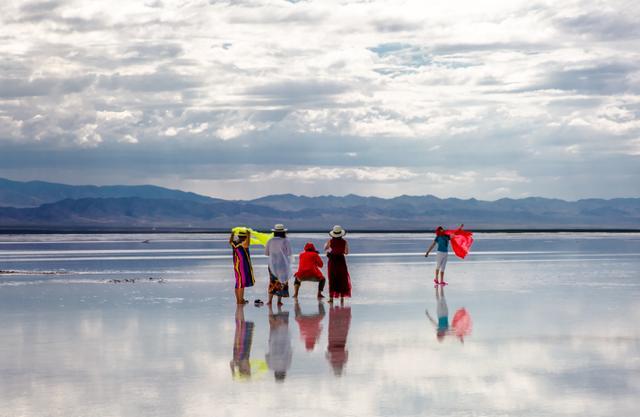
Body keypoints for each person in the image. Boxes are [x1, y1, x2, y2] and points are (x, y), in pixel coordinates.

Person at [265, 224, 292, 306]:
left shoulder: (270, 240)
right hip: (282, 264)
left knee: (272, 282)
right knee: (281, 281)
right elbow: (289, 253)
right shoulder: (286, 241)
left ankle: (269, 301)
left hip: (272, 264)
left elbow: (267, 253)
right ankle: (279, 301)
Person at [324, 225, 352, 304]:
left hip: (332, 261)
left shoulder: (330, 241)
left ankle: (331, 299)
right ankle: (342, 298)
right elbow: (346, 253)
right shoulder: (344, 242)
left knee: (332, 278)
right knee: (342, 278)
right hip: (341, 260)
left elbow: (326, 248)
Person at [266, 304, 292, 382]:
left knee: (283, 321)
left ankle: (277, 305)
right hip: (273, 340)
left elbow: (290, 354)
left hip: (284, 338)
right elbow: (267, 356)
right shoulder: (271, 366)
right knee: (273, 322)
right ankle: (272, 306)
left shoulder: (287, 366)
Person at [229, 228, 254, 304]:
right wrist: (249, 234)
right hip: (242, 266)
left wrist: (233, 233)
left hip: (236, 265)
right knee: (241, 283)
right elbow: (247, 244)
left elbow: (230, 241)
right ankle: (240, 301)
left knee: (238, 282)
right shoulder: (243, 244)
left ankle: (239, 300)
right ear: (245, 237)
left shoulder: (234, 243)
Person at [229, 304, 255, 379]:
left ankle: (239, 306)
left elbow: (231, 364)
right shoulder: (244, 360)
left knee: (240, 325)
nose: (249, 367)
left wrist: (233, 373)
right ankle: (239, 306)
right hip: (246, 344)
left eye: (248, 369)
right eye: (249, 369)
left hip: (240, 343)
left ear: (243, 369)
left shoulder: (237, 362)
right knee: (241, 325)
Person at [326, 305, 351, 376]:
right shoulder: (332, 362)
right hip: (334, 340)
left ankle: (338, 310)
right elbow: (327, 354)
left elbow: (346, 352)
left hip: (341, 340)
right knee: (334, 325)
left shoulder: (342, 361)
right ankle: (336, 311)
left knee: (340, 325)